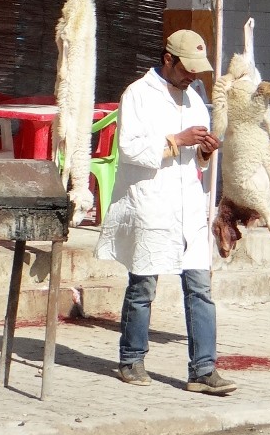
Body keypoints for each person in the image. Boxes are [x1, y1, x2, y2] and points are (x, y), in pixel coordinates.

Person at [95, 29, 235, 395]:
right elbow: (129, 150)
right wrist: (177, 140)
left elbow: (197, 163)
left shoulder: (193, 99)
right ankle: (131, 359)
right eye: (186, 68)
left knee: (200, 288)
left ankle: (203, 370)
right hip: (152, 203)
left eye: (195, 71)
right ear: (168, 59)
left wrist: (205, 149)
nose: (191, 77)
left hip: (188, 207)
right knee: (144, 284)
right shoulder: (138, 94)